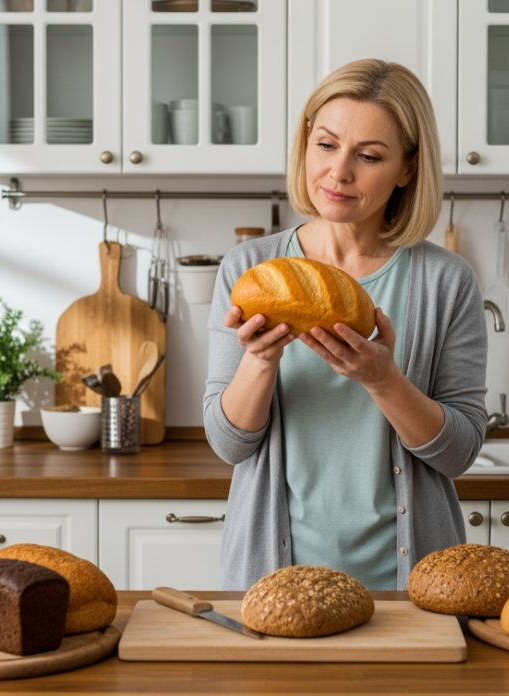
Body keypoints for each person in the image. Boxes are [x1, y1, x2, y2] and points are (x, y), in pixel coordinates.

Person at [203, 59, 489, 591]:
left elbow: (459, 452)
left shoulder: (446, 280)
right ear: (306, 144)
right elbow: (229, 446)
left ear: (407, 168)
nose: (338, 173)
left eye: (370, 156)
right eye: (326, 145)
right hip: (276, 582)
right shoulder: (249, 271)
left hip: (409, 586)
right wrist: (261, 359)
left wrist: (384, 380)